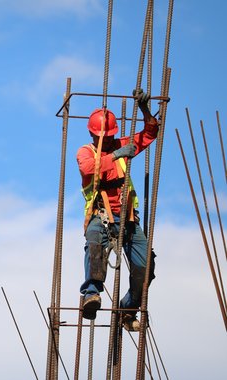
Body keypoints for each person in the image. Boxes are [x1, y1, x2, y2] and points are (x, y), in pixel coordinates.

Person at [76, 90, 158, 331]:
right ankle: (92, 293)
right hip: (100, 216)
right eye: (104, 136)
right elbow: (88, 169)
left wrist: (144, 110)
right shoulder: (86, 152)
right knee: (94, 244)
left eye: (111, 136)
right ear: (93, 134)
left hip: (128, 219)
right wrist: (115, 155)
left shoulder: (122, 145)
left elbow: (150, 133)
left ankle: (127, 309)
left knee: (145, 270)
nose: (109, 140)